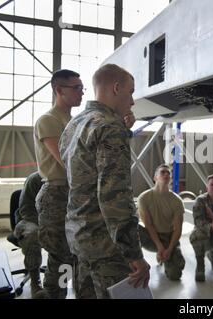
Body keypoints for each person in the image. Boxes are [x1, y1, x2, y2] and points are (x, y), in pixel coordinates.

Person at [59, 63, 150, 299]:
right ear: (117, 88)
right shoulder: (109, 127)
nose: (132, 101)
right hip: (107, 246)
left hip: (79, 238)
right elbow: (114, 199)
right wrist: (134, 255)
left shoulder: (74, 124)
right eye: (131, 92)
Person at [33, 69, 83, 298]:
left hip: (72, 194)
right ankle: (53, 294)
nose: (81, 92)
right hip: (56, 194)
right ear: (59, 90)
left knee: (72, 254)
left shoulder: (72, 121)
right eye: (76, 88)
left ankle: (58, 292)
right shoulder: (49, 121)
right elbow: (67, 160)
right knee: (60, 255)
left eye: (82, 88)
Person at [137, 164, 185, 281]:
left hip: (168, 238)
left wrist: (168, 249)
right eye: (163, 172)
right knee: (132, 228)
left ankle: (167, 259)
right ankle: (134, 261)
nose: (166, 174)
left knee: (176, 274)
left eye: (169, 173)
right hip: (150, 236)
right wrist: (159, 247)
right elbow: (148, 225)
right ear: (155, 177)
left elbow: (178, 230)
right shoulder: (144, 198)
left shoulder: (177, 201)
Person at [12, 171, 43, 298]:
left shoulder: (70, 176)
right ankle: (35, 282)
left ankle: (75, 279)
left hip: (57, 221)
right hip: (29, 220)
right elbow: (26, 210)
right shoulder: (35, 179)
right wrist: (46, 225)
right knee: (32, 234)